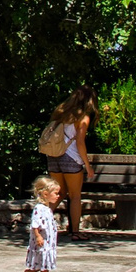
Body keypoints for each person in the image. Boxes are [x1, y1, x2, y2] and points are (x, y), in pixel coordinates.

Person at [38, 90, 96, 241]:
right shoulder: (83, 117)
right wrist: (87, 166)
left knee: (59, 193)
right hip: (71, 159)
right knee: (75, 196)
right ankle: (75, 232)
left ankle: (40, 221)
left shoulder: (61, 113)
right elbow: (80, 142)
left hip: (54, 156)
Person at [25, 174, 61, 272]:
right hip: (42, 240)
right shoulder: (39, 209)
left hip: (48, 240)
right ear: (46, 194)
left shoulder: (47, 208)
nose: (58, 196)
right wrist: (38, 236)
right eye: (56, 193)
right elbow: (35, 224)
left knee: (45, 261)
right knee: (44, 261)